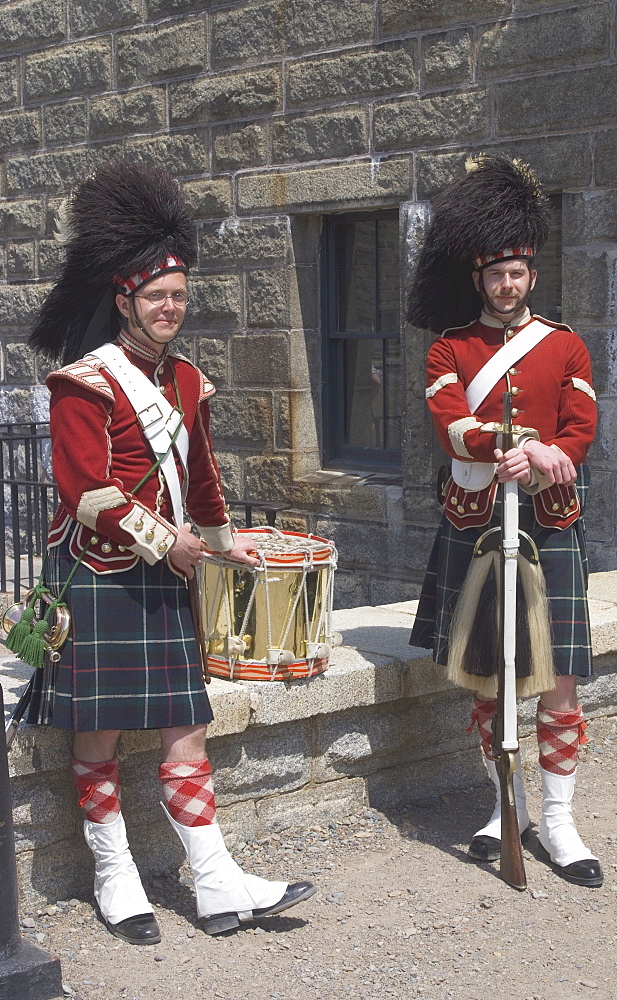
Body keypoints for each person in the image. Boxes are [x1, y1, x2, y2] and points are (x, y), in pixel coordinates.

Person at [27, 160, 314, 944]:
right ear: (124, 299)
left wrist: (225, 544)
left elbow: (205, 480)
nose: (170, 308)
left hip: (166, 580)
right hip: (101, 575)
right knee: (100, 733)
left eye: (179, 296)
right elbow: (86, 490)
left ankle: (216, 878)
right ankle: (114, 875)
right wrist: (170, 542)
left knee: (188, 727)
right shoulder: (82, 384)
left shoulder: (189, 381)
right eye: (156, 296)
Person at [408, 154, 603, 888]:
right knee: (491, 676)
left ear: (530, 273)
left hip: (548, 525)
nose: (507, 284)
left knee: (558, 681)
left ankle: (557, 819)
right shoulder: (449, 347)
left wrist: (550, 453)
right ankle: (504, 806)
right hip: (480, 522)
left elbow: (582, 427)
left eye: (517, 272)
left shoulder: (566, 343)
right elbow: (453, 427)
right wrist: (514, 444)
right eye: (495, 274)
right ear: (479, 277)